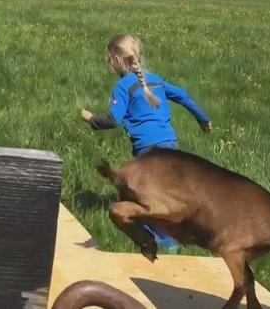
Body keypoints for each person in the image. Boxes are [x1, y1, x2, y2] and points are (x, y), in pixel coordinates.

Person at [80, 34, 212, 253]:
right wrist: (203, 118)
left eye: (109, 61)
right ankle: (178, 232)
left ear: (117, 60)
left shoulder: (123, 86)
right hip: (170, 145)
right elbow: (183, 95)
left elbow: (114, 120)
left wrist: (92, 120)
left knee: (141, 197)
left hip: (148, 152)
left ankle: (165, 241)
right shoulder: (156, 79)